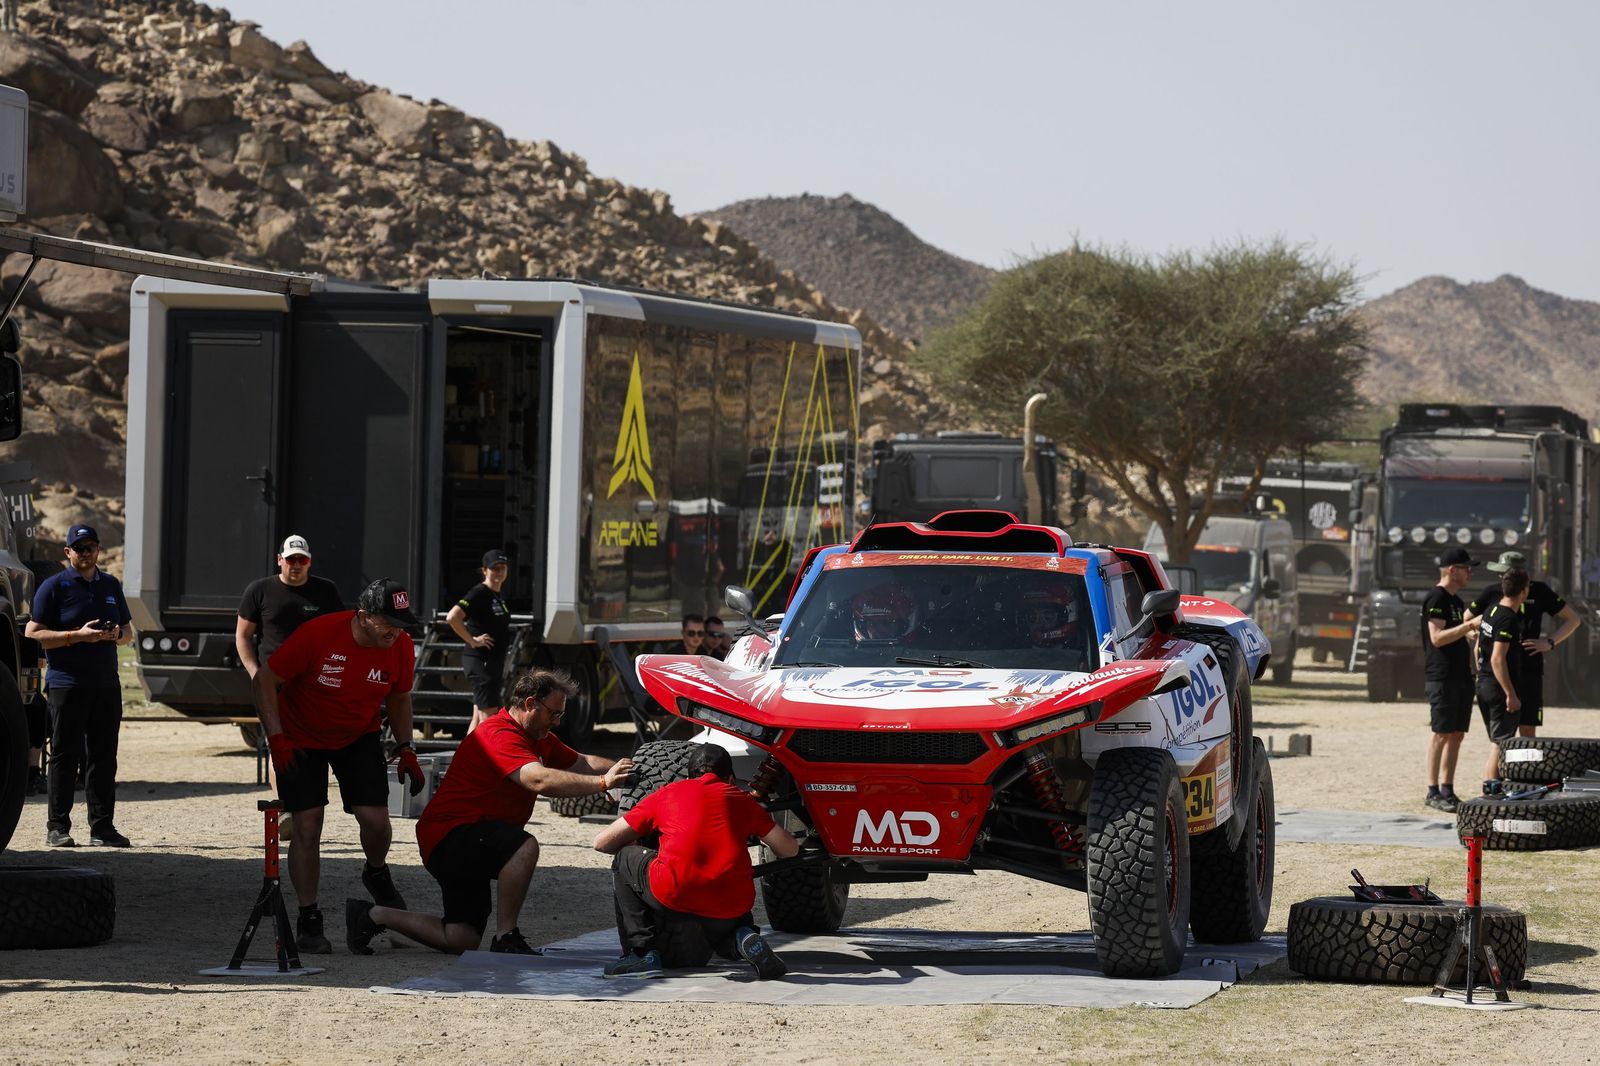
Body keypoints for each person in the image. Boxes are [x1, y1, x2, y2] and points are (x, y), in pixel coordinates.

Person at [344, 670, 633, 956]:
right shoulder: (500, 733)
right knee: (523, 846)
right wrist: (603, 783)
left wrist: (627, 769)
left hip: (470, 837)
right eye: (553, 714)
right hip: (451, 836)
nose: (556, 722)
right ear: (531, 703)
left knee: (460, 938)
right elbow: (538, 780)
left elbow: (581, 761)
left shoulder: (538, 735)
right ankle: (506, 936)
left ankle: (372, 915)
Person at [253, 577, 424, 954]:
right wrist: (276, 737)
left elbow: (399, 695)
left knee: (377, 821)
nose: (395, 633)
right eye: (388, 624)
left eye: (401, 625)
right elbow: (264, 680)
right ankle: (309, 918)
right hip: (299, 735)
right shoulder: (318, 635)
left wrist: (406, 747)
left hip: (357, 736)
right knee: (307, 824)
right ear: (363, 616)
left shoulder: (401, 646)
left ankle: (376, 871)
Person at [593, 744, 798, 980]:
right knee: (726, 929)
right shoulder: (742, 801)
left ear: (689, 776)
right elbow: (790, 849)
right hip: (730, 906)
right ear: (730, 779)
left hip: (674, 894)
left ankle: (642, 953)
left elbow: (601, 842)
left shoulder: (668, 793)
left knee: (624, 859)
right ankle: (742, 938)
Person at [25, 524, 134, 848]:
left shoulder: (111, 585)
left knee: (103, 757)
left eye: (91, 547)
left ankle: (102, 828)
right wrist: (77, 636)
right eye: (79, 548)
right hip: (67, 684)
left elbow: (129, 633)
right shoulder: (54, 586)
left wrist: (116, 636)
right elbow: (33, 632)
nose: (85, 553)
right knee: (64, 755)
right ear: (67, 552)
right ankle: (57, 827)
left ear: (98, 550)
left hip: (105, 685)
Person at [236, 534, 345, 837]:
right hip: (274, 683)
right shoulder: (259, 590)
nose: (296, 565)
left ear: (310, 561)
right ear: (279, 559)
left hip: (315, 684)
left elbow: (340, 632)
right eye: (291, 559)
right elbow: (242, 636)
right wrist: (256, 674)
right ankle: (286, 808)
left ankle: (304, 807)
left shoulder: (325, 591)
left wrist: (335, 672)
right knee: (278, 742)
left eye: (302, 559)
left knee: (312, 746)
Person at [1466, 550, 1582, 739]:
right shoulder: (1492, 592)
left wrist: (1550, 642)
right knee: (1503, 738)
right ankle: (1503, 769)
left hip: (1530, 669)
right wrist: (1481, 637)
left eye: (1503, 573)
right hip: (1502, 672)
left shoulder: (1540, 590)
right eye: (1500, 573)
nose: (1500, 577)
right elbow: (1466, 622)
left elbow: (1573, 620)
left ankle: (1525, 769)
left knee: (1527, 731)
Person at [1420, 547, 1477, 813]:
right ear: (1452, 570)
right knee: (1441, 733)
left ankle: (1447, 788)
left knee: (1457, 734)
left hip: (1461, 676)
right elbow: (1437, 638)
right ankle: (1432, 791)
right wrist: (1468, 627)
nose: (1469, 572)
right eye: (1466, 568)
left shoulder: (1456, 601)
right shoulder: (1437, 597)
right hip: (1442, 676)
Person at [1474, 569, 1529, 796]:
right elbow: (1498, 658)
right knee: (1500, 745)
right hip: (1498, 690)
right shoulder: (1508, 618)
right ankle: (1491, 797)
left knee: (1496, 744)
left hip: (1484, 684)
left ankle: (1492, 794)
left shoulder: (1491, 609)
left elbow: (1479, 645)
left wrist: (1479, 671)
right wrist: (1510, 694)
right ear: (1524, 591)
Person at [447, 549, 512, 733]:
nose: (499, 572)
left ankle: (465, 759)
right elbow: (453, 617)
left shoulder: (497, 595)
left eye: (503, 568)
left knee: (477, 719)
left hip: (492, 663)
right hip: (480, 662)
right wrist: (473, 640)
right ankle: (488, 761)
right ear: (484, 570)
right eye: (494, 568)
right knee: (489, 718)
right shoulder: (479, 592)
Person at [853, 581, 919, 643]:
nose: (881, 629)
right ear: (864, 628)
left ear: (901, 625)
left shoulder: (918, 652)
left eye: (887, 622)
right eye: (873, 624)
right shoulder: (850, 651)